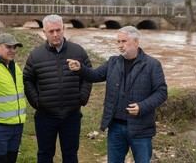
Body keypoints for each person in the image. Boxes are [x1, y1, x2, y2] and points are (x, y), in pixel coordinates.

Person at [67, 26, 167, 163]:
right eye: (118, 42)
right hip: (115, 127)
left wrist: (142, 106)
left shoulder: (152, 65)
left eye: (124, 41)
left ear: (136, 42)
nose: (120, 45)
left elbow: (161, 92)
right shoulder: (113, 62)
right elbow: (94, 75)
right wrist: (81, 69)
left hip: (141, 128)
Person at [23, 14, 92, 163]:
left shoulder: (78, 51)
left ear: (64, 29)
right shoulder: (36, 55)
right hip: (45, 116)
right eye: (51, 31)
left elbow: (88, 75)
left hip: (71, 115)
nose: (55, 34)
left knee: (70, 154)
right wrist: (37, 102)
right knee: (45, 154)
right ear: (44, 32)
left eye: (58, 30)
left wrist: (82, 98)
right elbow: (28, 79)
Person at [0, 33, 27, 163]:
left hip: (17, 125)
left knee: (11, 159)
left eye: (14, 47)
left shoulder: (14, 66)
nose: (12, 51)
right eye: (8, 47)